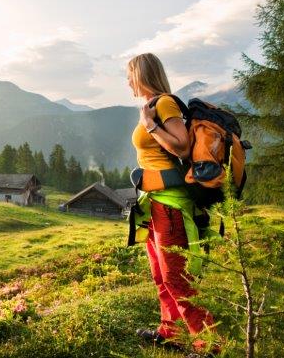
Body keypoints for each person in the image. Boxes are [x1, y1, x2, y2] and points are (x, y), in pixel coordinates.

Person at [126, 53, 218, 356]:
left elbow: (181, 144)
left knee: (176, 279)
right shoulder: (153, 105)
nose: (128, 82)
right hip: (153, 203)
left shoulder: (164, 104)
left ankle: (212, 346)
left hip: (171, 206)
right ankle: (172, 333)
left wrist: (150, 126)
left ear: (141, 74)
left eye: (130, 75)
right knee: (160, 274)